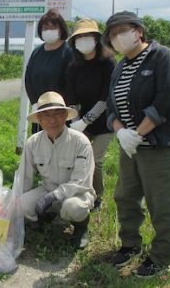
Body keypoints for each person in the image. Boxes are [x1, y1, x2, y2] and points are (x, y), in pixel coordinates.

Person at [101, 11, 170, 277]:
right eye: (112, 35)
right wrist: (121, 133)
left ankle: (161, 257)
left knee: (162, 203)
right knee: (125, 196)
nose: (118, 38)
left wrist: (138, 133)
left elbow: (167, 98)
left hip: (160, 146)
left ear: (139, 31)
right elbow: (111, 108)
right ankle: (130, 245)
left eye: (122, 31)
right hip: (130, 148)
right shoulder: (120, 67)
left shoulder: (161, 57)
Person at [18, 91, 96, 249]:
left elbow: (81, 181)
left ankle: (81, 228)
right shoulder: (32, 142)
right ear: (39, 119)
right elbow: (24, 177)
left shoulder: (81, 142)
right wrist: (15, 205)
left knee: (73, 207)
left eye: (58, 114)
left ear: (66, 116)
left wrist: (54, 196)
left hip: (77, 193)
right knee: (20, 204)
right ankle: (45, 218)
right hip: (47, 189)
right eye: (46, 115)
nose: (52, 120)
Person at [65, 19, 116, 210]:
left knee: (96, 160)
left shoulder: (108, 63)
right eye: (79, 37)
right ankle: (78, 190)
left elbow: (106, 98)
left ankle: (97, 196)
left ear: (96, 39)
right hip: (81, 120)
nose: (83, 41)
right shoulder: (73, 67)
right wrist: (76, 119)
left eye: (88, 36)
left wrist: (86, 121)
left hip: (105, 122)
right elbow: (72, 98)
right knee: (78, 157)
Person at [25, 8, 73, 134]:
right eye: (45, 27)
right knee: (39, 145)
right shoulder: (37, 52)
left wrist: (57, 108)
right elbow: (28, 79)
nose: (48, 30)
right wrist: (35, 103)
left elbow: (71, 84)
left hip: (60, 112)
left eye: (53, 27)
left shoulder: (68, 52)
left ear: (61, 28)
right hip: (40, 110)